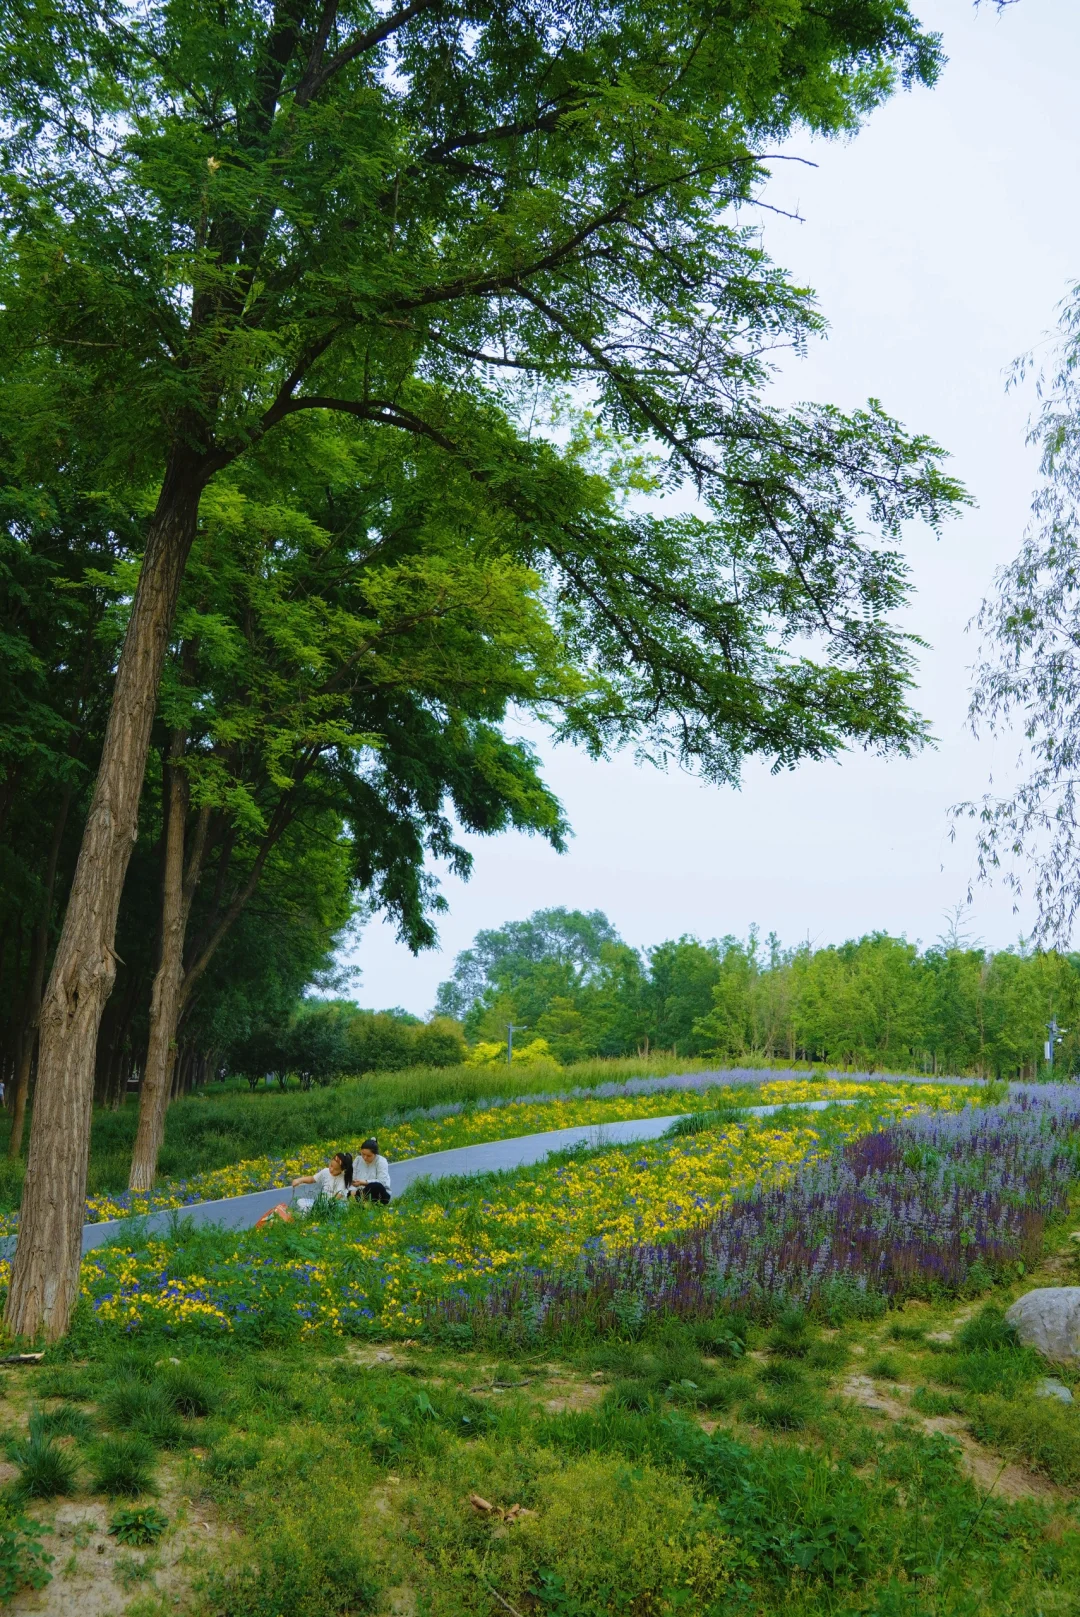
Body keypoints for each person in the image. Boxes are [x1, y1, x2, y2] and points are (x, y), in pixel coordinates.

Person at [351, 1138, 391, 1204]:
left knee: (375, 1186)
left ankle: (357, 1198)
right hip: (359, 1191)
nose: (365, 1158)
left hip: (379, 1194)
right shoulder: (358, 1160)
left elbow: (382, 1182)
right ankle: (356, 1199)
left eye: (369, 1156)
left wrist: (364, 1182)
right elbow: (352, 1177)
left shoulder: (381, 1161)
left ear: (375, 1154)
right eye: (363, 1154)